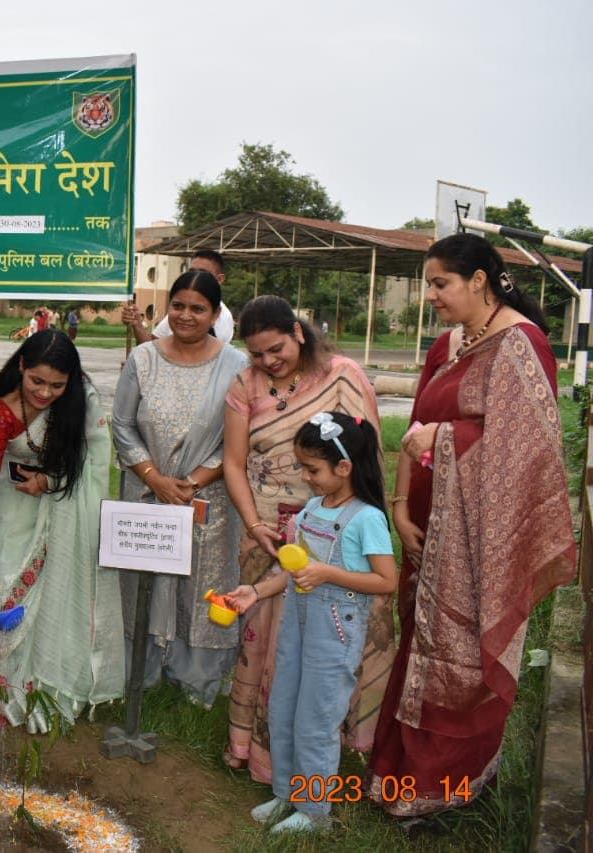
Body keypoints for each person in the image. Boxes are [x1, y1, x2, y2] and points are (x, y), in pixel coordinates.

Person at [367, 234, 575, 817]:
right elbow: (412, 429)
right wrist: (403, 504)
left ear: (478, 280)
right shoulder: (448, 343)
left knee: (463, 659)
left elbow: (531, 451)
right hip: (427, 528)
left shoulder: (522, 344)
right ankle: (397, 771)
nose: (431, 295)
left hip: (483, 537)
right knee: (421, 644)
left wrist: (446, 440)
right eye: (429, 284)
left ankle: (449, 785)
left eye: (440, 284)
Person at [221, 294, 393, 782]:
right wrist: (256, 526)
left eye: (276, 349)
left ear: (299, 332)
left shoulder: (341, 374)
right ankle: (260, 754)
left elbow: (367, 460)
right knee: (269, 643)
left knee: (328, 650)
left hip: (337, 532)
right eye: (256, 354)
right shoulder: (245, 382)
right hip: (268, 530)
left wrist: (356, 524)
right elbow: (234, 462)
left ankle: (332, 754)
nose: (267, 362)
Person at [226, 412, 397, 833]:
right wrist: (257, 591)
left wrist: (329, 574)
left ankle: (315, 811)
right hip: (298, 628)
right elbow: (292, 569)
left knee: (317, 719)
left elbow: (386, 580)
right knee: (284, 708)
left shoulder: (366, 518)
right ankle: (287, 793)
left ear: (344, 468)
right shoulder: (313, 509)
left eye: (312, 469)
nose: (306, 476)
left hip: (335, 632)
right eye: (303, 467)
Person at [0, 329, 123, 731]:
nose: (45, 393)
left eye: (57, 385)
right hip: (8, 508)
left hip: (62, 510)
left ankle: (46, 682)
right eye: (37, 381)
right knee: (4, 590)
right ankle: (7, 684)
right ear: (21, 366)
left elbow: (94, 461)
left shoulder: (80, 401)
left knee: (51, 593)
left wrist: (50, 482)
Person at [111, 270, 249, 706]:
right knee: (144, 579)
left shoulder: (236, 364)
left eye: (197, 308)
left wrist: (190, 484)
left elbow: (236, 436)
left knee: (200, 580)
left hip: (206, 495)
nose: (186, 316)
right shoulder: (144, 358)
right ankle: (141, 668)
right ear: (168, 308)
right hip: (146, 490)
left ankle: (196, 678)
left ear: (215, 314)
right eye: (178, 306)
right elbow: (122, 423)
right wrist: (154, 478)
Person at [123, 250, 236, 346]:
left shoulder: (223, 318)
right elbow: (152, 347)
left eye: (198, 310)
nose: (185, 316)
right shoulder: (177, 313)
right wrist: (137, 324)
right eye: (192, 272)